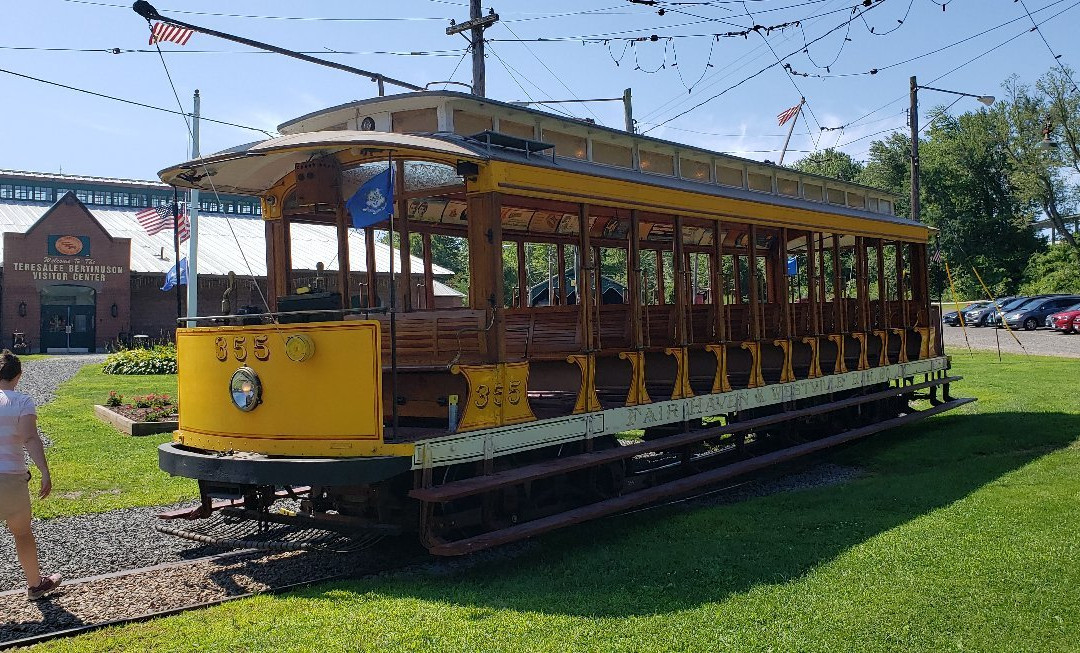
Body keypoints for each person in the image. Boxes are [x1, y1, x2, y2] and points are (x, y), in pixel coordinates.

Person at [0, 350, 62, 600]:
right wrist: (44, 471)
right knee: (22, 533)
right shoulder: (22, 402)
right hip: (11, 479)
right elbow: (29, 438)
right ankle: (35, 584)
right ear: (19, 375)